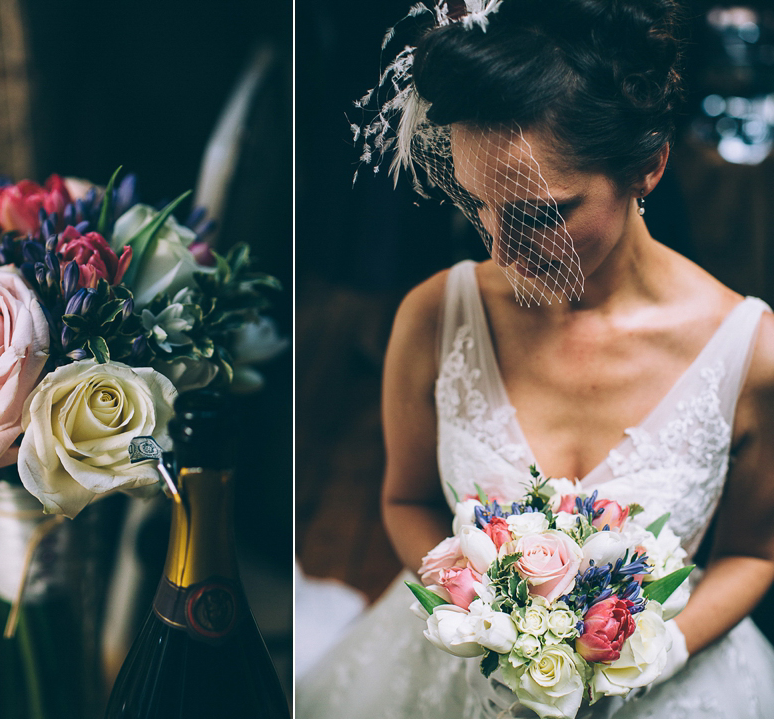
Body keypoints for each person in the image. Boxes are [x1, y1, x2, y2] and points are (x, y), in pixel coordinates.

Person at [296, 0, 774, 717]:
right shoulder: (434, 315)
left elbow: (756, 553)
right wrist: (488, 624)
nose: (500, 249)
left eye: (537, 214)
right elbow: (406, 500)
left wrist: (658, 653)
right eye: (477, 206)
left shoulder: (751, 354)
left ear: (647, 166)